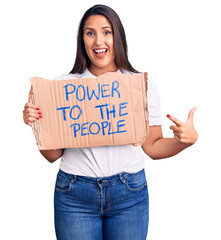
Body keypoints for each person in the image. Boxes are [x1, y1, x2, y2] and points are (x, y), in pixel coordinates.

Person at [23, 4, 198, 240]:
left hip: (129, 194)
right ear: (81, 40)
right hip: (74, 194)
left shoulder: (139, 85)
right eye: (90, 33)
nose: (99, 41)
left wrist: (185, 141)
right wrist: (38, 126)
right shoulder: (61, 88)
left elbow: (153, 147)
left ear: (118, 36)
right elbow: (52, 155)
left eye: (106, 32)